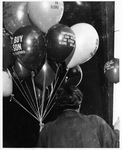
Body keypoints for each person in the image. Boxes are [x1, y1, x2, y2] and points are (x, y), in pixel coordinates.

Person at [37, 86, 119, 148]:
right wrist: (117, 132)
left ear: (58, 105)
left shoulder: (47, 130)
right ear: (79, 103)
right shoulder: (97, 122)